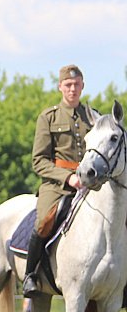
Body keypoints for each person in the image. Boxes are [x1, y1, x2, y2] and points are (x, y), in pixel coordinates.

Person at [22, 64, 97, 298]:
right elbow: (39, 161)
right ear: (60, 87)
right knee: (44, 221)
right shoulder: (48, 117)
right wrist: (68, 177)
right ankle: (30, 275)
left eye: (76, 85)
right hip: (57, 186)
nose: (72, 89)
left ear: (82, 86)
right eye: (68, 85)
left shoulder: (94, 117)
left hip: (91, 184)